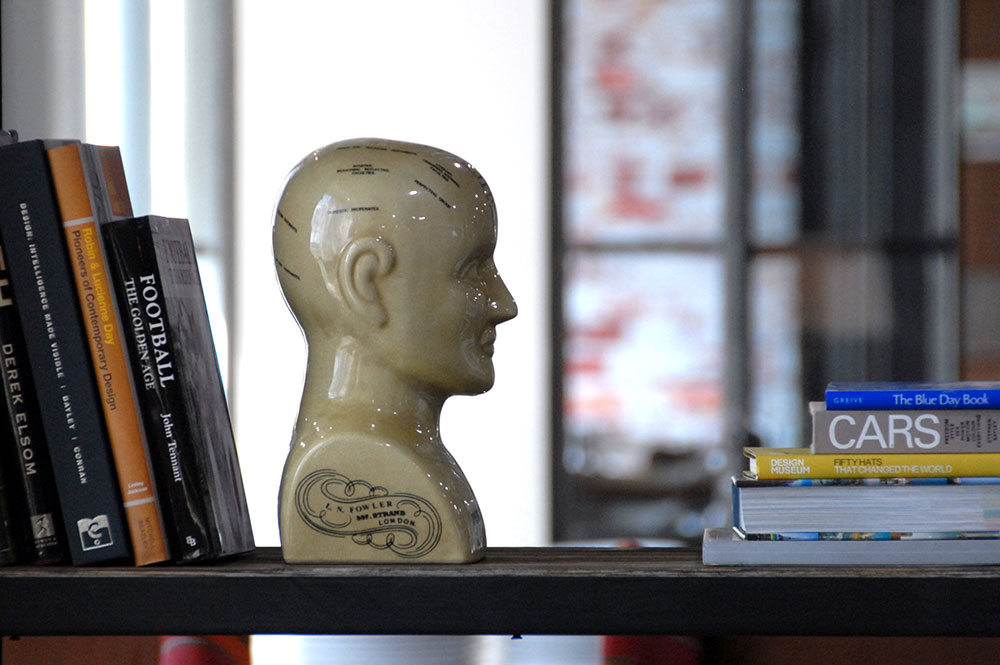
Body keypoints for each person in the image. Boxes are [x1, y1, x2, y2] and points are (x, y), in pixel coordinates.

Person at [273, 138, 517, 563]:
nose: (504, 304)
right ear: (367, 285)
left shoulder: (417, 456)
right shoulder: (349, 460)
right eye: (474, 270)